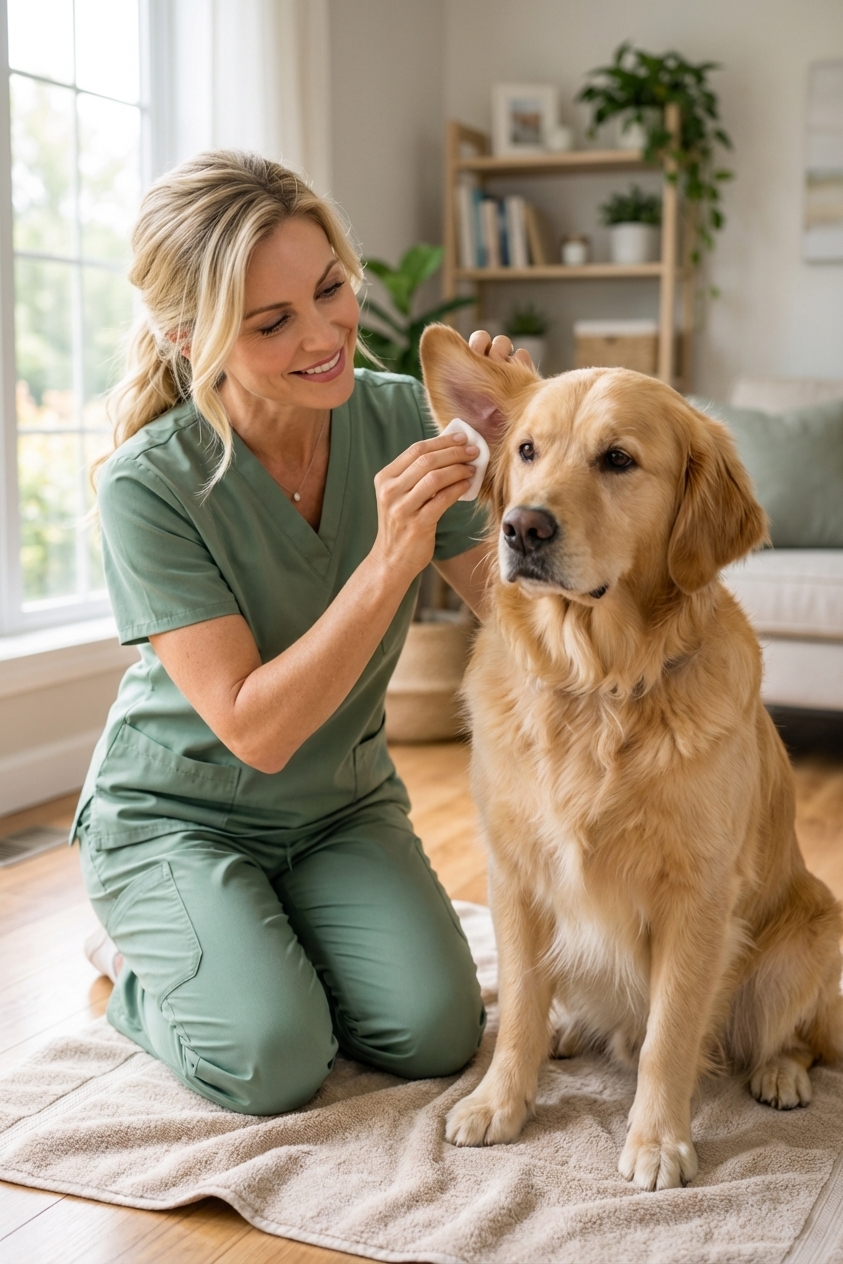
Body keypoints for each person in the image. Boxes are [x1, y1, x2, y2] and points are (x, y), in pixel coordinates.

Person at [74, 150, 520, 1116]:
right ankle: (133, 958)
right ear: (190, 338)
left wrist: (526, 458)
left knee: (437, 1035)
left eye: (330, 290)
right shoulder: (147, 486)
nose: (325, 337)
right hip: (177, 815)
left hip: (338, 811)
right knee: (273, 1061)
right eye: (272, 322)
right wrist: (387, 561)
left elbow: (516, 614)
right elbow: (254, 730)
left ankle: (264, 935)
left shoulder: (405, 415)